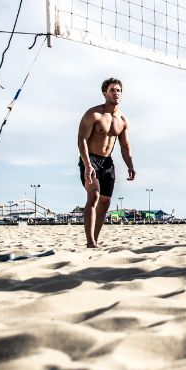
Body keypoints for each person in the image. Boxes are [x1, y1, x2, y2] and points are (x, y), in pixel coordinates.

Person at [77, 77, 135, 248]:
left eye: (118, 90)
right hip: (91, 159)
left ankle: (95, 238)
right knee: (93, 196)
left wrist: (130, 165)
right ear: (104, 93)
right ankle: (90, 241)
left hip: (107, 163)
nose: (116, 93)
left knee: (105, 202)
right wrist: (87, 165)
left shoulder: (123, 120)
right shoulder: (94, 114)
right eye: (112, 90)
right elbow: (81, 140)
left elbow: (125, 145)